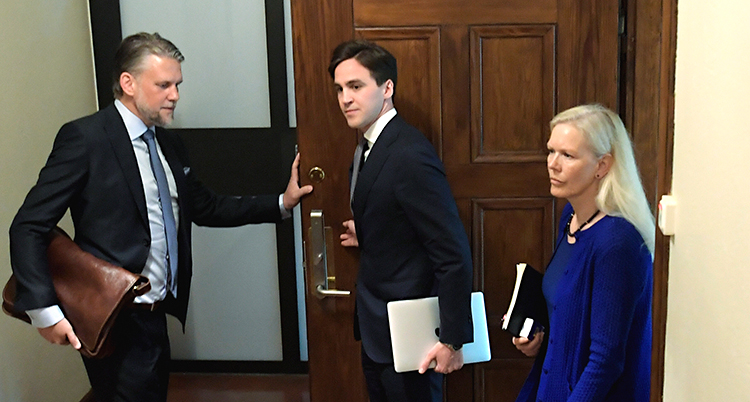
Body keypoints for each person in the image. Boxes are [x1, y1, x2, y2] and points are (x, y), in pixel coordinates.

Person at [9, 32, 313, 402]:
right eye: (164, 85)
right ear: (128, 83)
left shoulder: (169, 144)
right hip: (112, 314)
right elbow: (29, 225)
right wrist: (45, 311)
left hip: (154, 314)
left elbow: (206, 207)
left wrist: (282, 202)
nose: (175, 95)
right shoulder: (86, 138)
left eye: (177, 85)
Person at [330, 39, 474, 402]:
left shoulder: (409, 153)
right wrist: (371, 232)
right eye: (340, 89)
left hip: (414, 338)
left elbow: (452, 252)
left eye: (356, 86)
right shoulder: (368, 146)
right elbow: (399, 216)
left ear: (387, 88)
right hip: (378, 332)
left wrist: (452, 340)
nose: (345, 98)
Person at [512, 104, 654, 401]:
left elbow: (606, 360)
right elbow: (570, 312)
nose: (553, 164)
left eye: (568, 155)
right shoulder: (571, 218)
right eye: (551, 151)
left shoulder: (617, 243)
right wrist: (540, 335)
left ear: (602, 165)